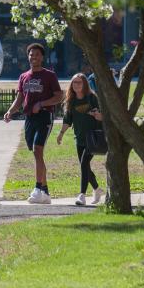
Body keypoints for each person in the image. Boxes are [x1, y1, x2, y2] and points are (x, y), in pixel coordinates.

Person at [4, 43, 63, 204]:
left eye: (36, 54)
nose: (33, 57)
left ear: (42, 57)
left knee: (38, 150)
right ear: (28, 56)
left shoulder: (49, 76)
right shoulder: (24, 76)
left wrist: (42, 104)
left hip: (45, 116)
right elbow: (20, 98)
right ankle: (45, 193)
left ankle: (37, 188)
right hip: (29, 118)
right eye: (31, 54)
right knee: (36, 153)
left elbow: (59, 96)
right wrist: (10, 111)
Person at [57, 73, 105, 206]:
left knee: (84, 164)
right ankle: (97, 189)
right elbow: (68, 120)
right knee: (85, 166)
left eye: (79, 82)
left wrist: (97, 115)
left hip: (93, 137)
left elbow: (102, 116)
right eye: (74, 82)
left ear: (85, 84)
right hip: (79, 138)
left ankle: (82, 195)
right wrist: (61, 134)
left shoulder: (92, 98)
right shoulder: (71, 101)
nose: (76, 85)